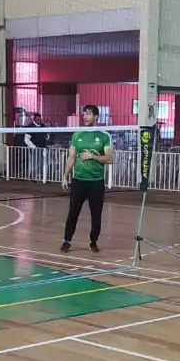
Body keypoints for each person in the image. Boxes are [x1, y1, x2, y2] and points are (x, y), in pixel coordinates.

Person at [61, 104, 112, 253]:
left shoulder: (104, 135)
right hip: (79, 181)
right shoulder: (77, 135)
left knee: (96, 215)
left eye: (88, 114)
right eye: (84, 114)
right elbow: (71, 157)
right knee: (73, 212)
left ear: (95, 116)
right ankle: (67, 241)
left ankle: (93, 242)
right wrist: (65, 177)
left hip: (96, 183)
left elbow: (109, 158)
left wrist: (92, 156)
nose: (85, 116)